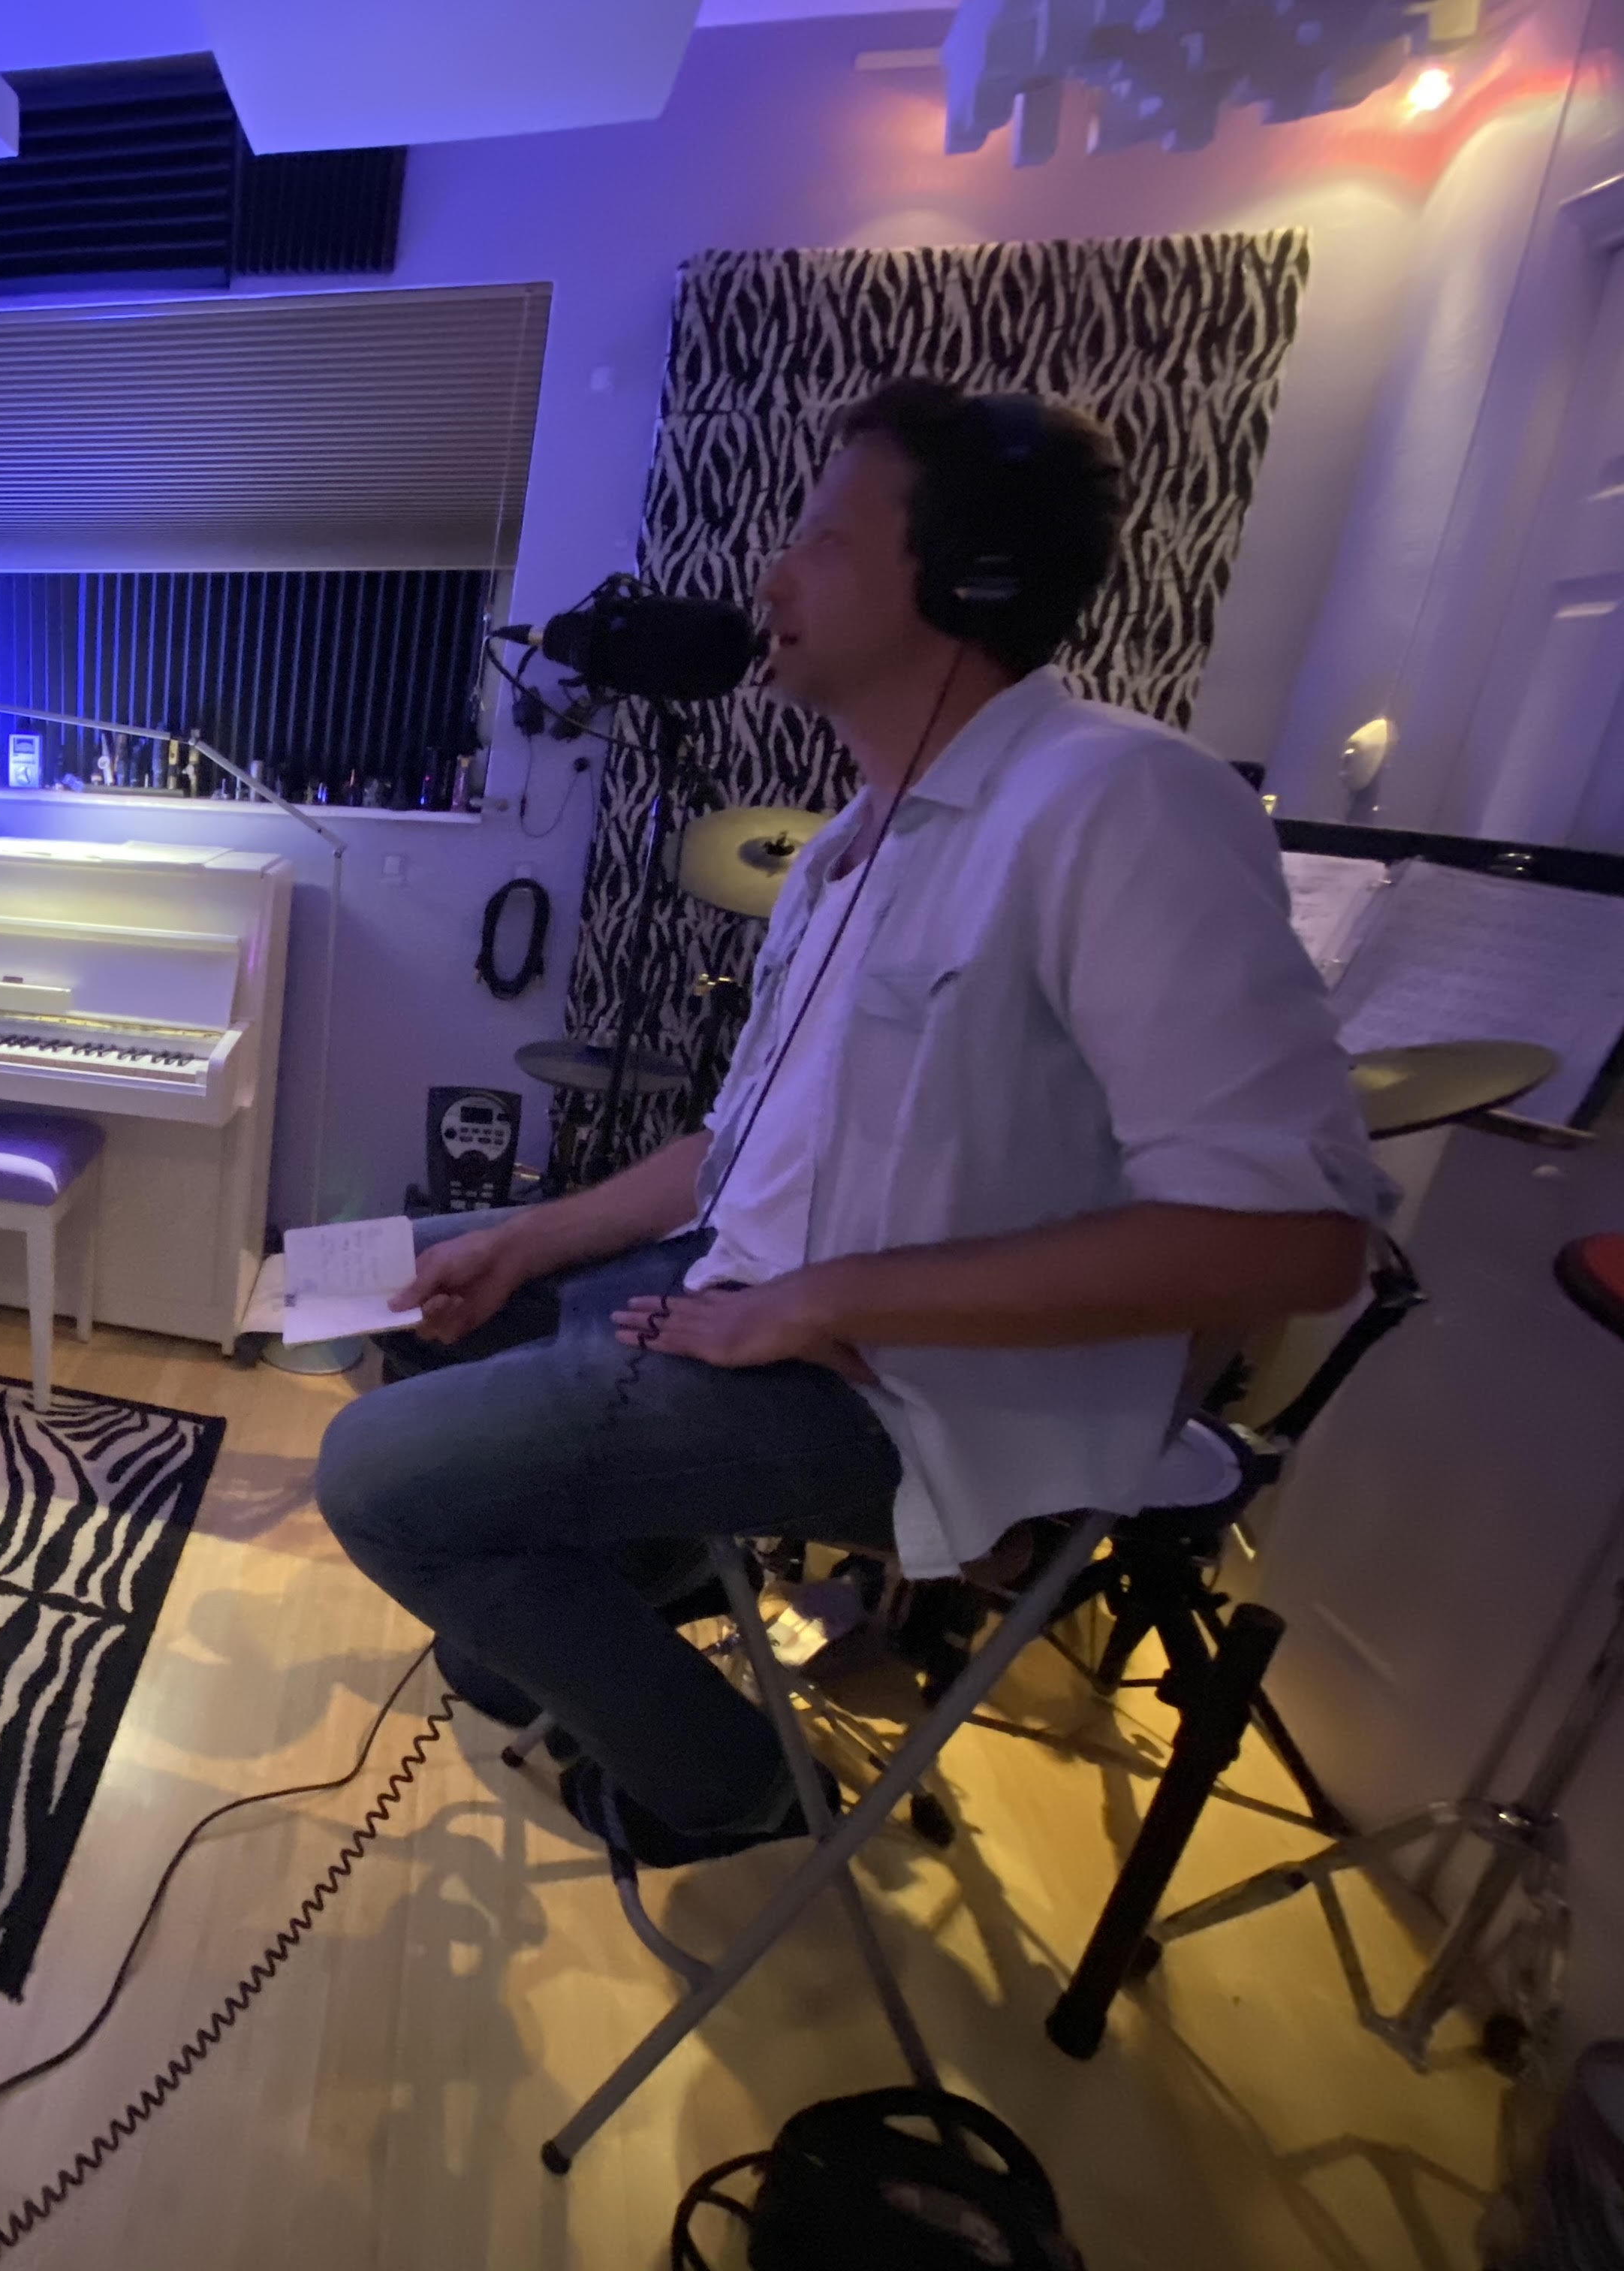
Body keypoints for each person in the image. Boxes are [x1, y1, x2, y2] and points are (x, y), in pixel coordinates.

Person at [315, 381, 1385, 1873]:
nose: (771, 577)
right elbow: (739, 1150)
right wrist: (526, 1239)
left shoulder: (1124, 802)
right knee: (383, 1276)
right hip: (751, 1293)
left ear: (969, 583)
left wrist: (823, 1300)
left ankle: (736, 1790)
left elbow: (1298, 1241)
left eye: (822, 539)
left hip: (911, 1389)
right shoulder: (843, 849)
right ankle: (629, 1578)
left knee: (376, 1479)